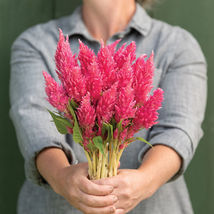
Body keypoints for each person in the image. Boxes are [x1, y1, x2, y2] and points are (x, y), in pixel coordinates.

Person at [9, 0, 207, 213]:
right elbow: (34, 123)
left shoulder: (177, 44)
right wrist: (61, 177)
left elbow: (180, 130)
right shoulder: (36, 42)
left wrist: (145, 180)